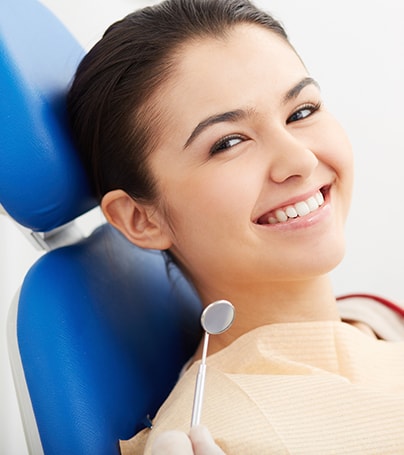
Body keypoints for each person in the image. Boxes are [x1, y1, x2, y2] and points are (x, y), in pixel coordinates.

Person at [67, 0, 404, 453]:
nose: (300, 160)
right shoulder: (227, 435)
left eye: (301, 112)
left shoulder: (369, 318)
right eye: (228, 142)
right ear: (141, 218)